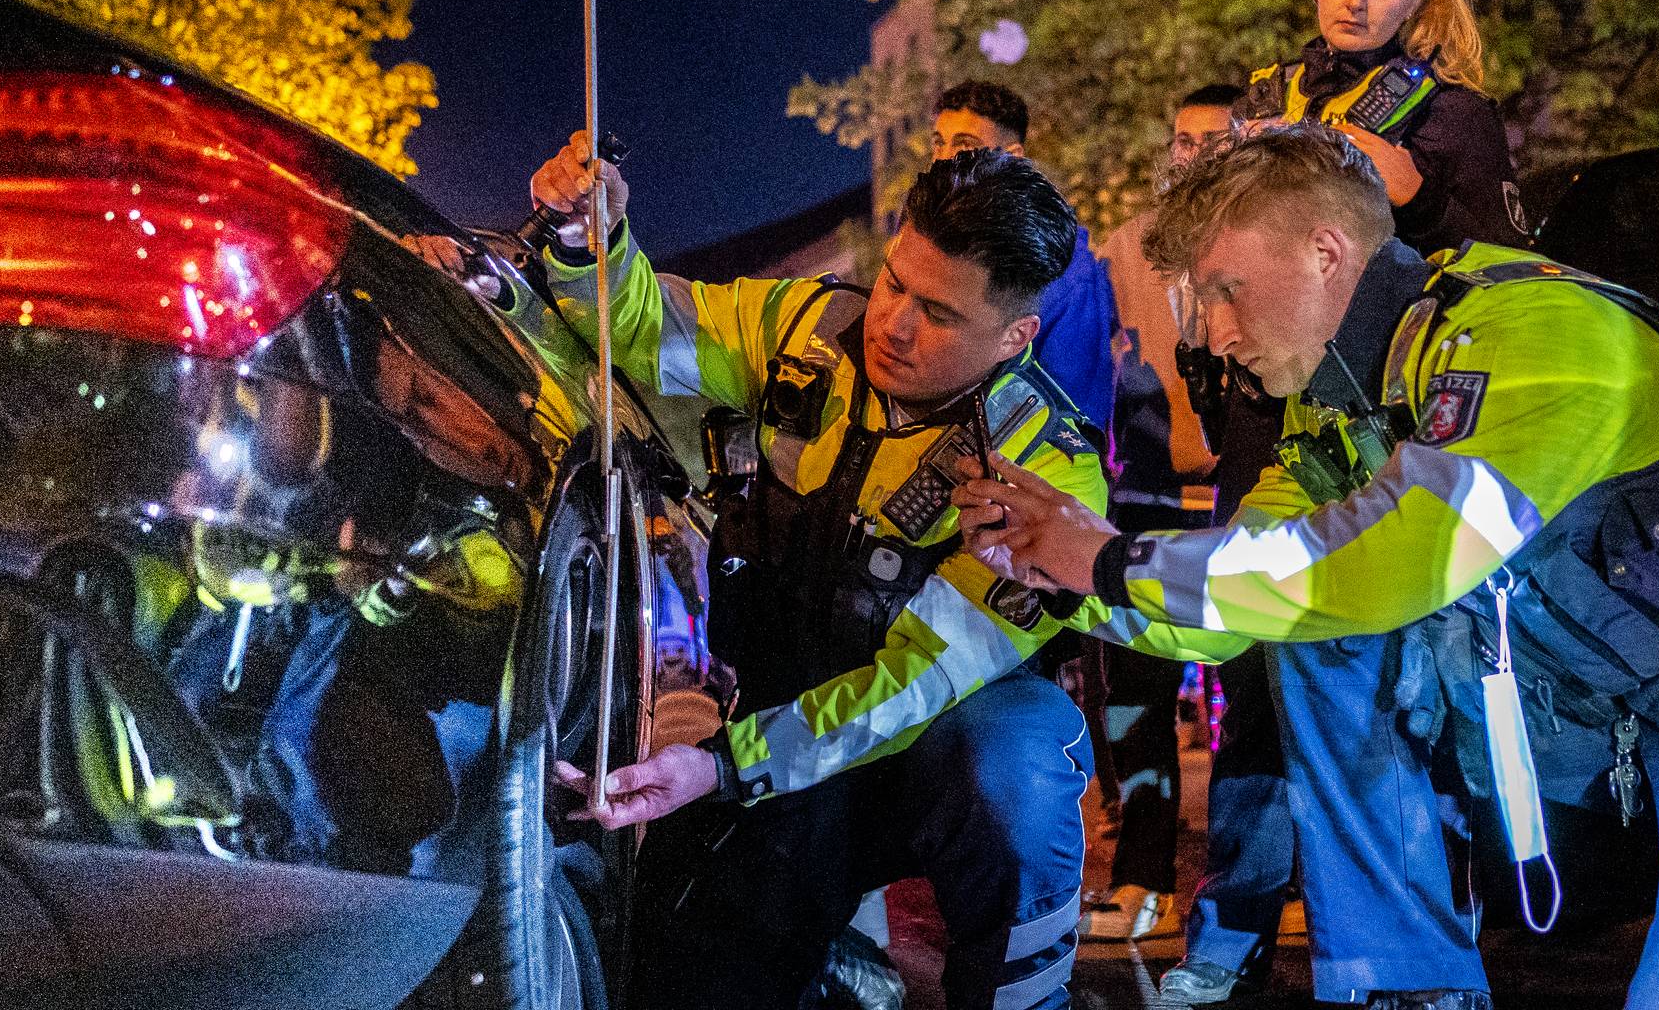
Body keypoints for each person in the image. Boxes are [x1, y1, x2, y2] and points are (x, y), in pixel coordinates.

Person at [962, 124, 1659, 1010]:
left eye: (1224, 289)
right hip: (1610, 727)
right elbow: (1233, 600)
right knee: (1307, 625)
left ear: (1326, 254)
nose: (1208, 335)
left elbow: (1394, 561)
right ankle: (1405, 983)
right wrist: (1062, 573)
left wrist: (1110, 558)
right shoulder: (1343, 403)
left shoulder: (1537, 329)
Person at [526, 139, 1243, 1010]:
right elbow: (641, 330)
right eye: (897, 282)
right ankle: (840, 965)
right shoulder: (803, 327)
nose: (894, 323)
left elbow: (917, 682)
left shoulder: (1041, 470)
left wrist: (725, 766)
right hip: (776, 737)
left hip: (916, 754)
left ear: (1017, 336)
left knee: (1014, 757)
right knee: (682, 975)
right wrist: (587, 242)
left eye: (938, 313)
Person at [1169, 0, 1534, 1008]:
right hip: (1259, 412)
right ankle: (1233, 920)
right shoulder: (1268, 95)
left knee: (1392, 678)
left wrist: (1316, 157)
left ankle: (1431, 919)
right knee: (1255, 669)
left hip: (1383, 423)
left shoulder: (1453, 113)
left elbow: (1449, 231)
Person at [1079, 84, 1240, 943]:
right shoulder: (1128, 249)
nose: (1194, 155)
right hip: (1141, 495)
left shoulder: (1270, 240)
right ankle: (1142, 878)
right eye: (1183, 140)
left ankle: (1253, 888)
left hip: (1240, 497)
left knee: (1250, 694)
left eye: (1214, 140)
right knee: (1135, 696)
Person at [1234, 0, 1528, 255]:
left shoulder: (1456, 113)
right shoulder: (1265, 98)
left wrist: (1419, 199)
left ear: (1415, 1)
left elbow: (1512, 265)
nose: (1355, 1)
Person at [932, 80, 1120, 432]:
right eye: (938, 143)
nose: (944, 159)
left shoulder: (1063, 269)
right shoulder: (929, 242)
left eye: (964, 145)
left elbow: (1073, 408)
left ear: (1012, 156)